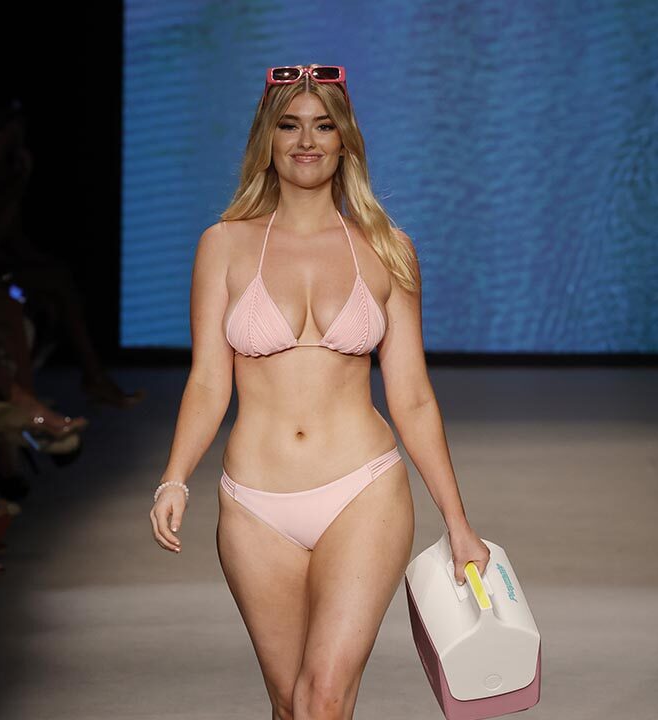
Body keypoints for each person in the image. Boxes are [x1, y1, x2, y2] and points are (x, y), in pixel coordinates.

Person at [150, 64, 491, 719]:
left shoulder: (388, 248)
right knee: (290, 705)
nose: (306, 140)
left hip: (362, 490)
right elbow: (208, 380)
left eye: (323, 125)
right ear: (267, 139)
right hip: (254, 504)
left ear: (345, 140)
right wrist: (175, 477)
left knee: (323, 699)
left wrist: (458, 522)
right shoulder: (222, 245)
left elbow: (412, 395)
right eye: (289, 125)